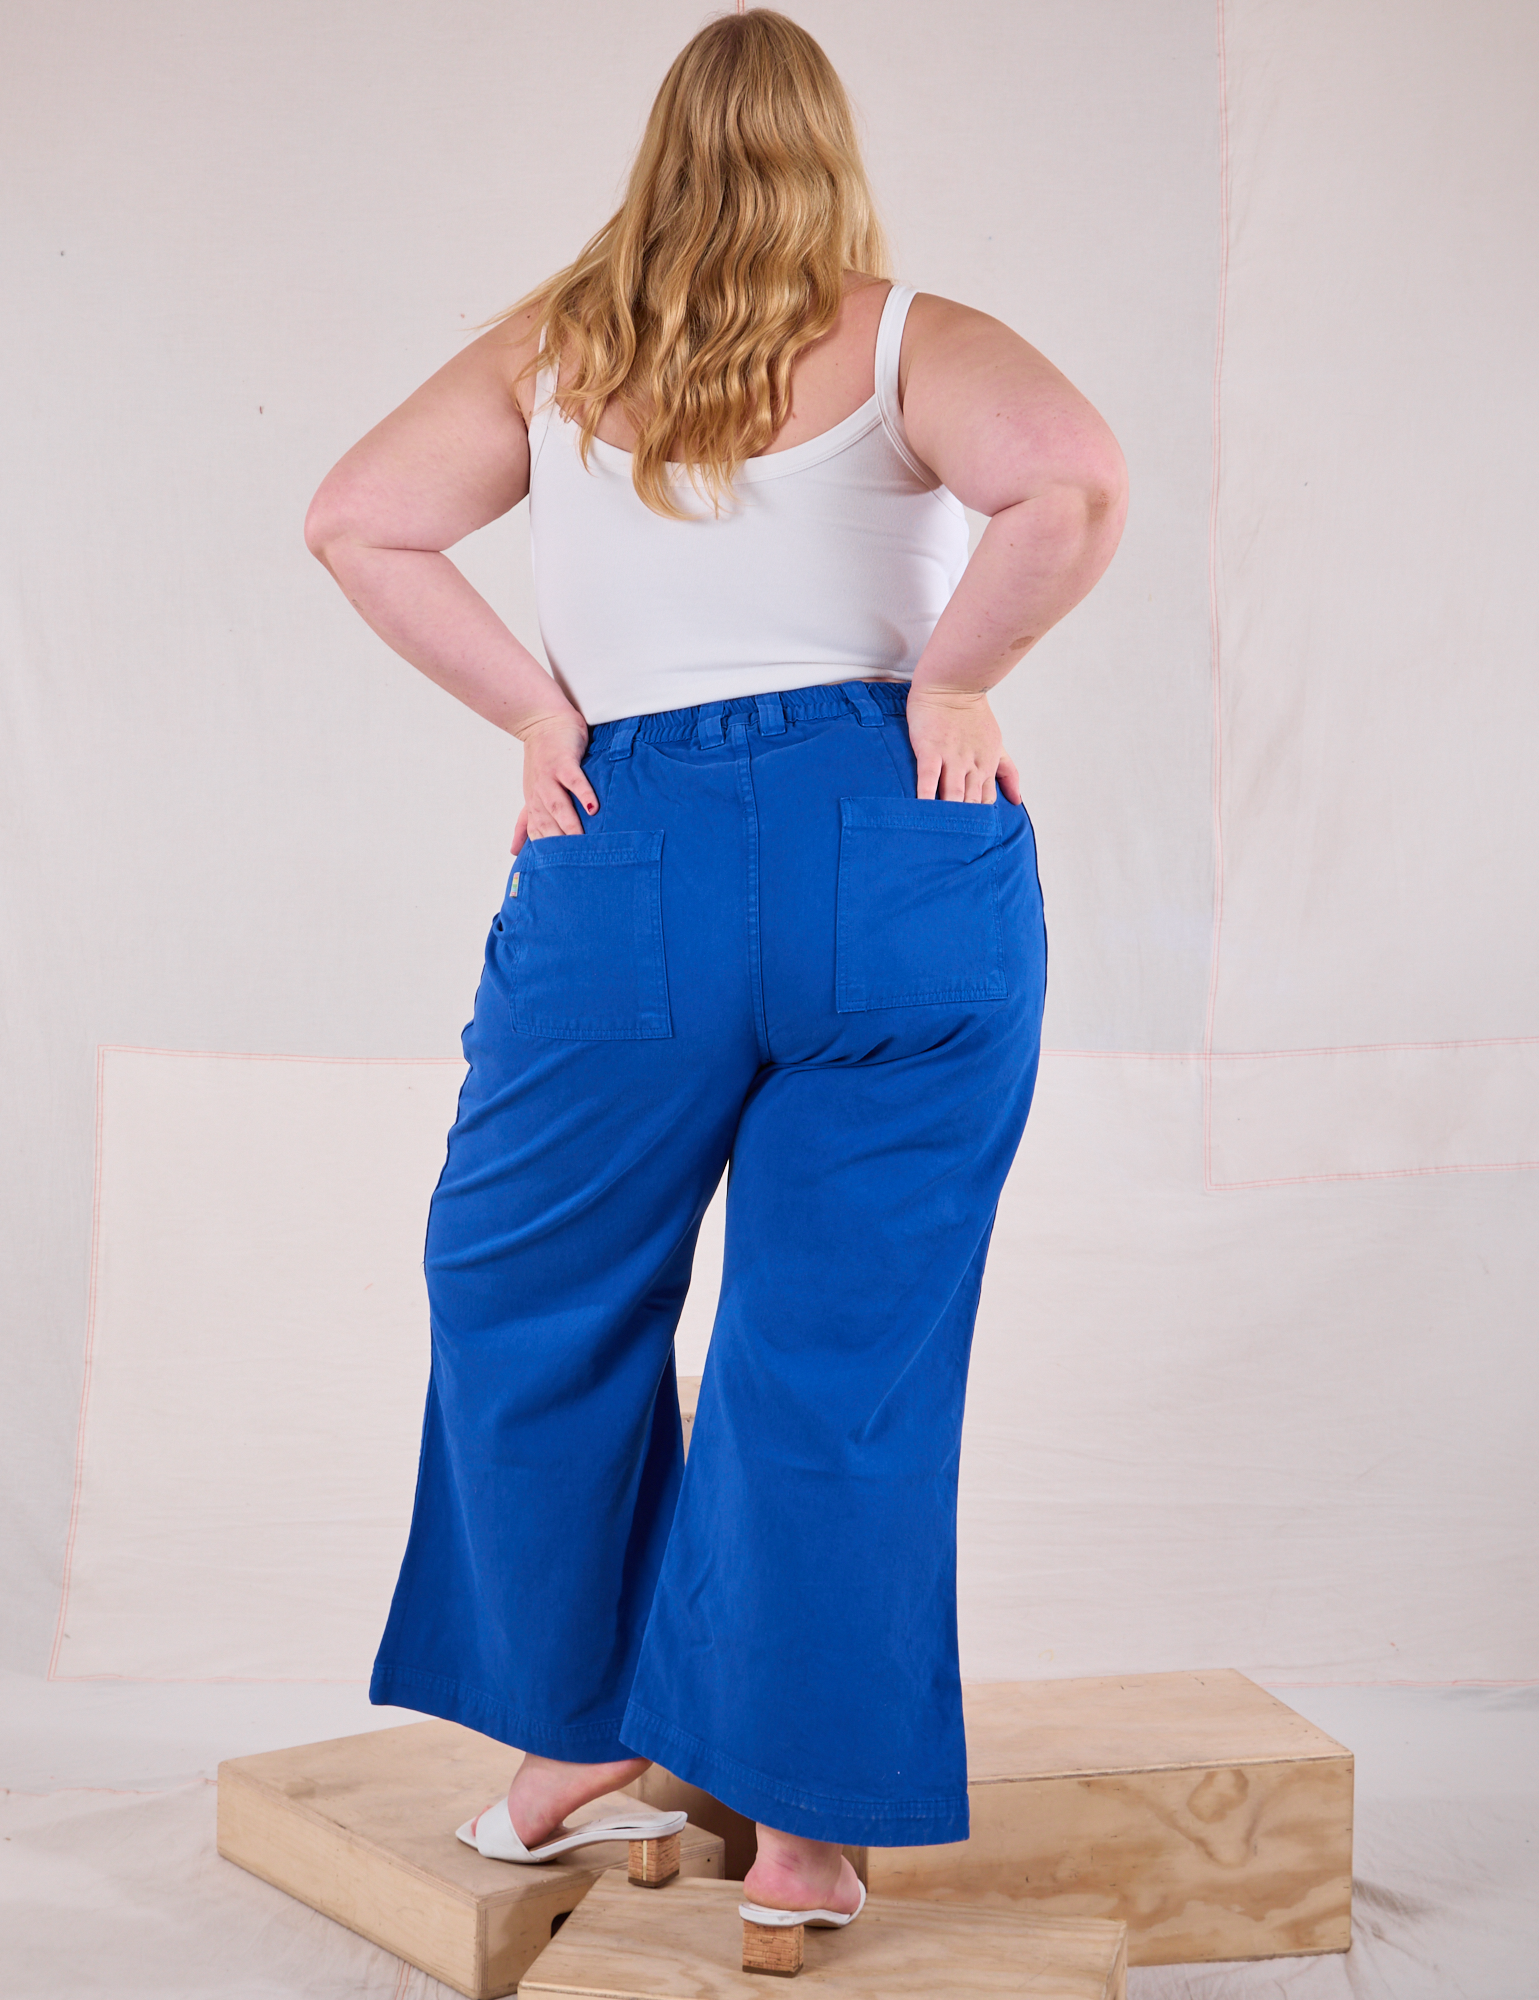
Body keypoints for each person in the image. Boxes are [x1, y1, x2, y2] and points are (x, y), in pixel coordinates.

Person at [304, 4, 1126, 1952]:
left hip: (628, 845)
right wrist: (954, 674)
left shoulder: (557, 343)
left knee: (523, 1290)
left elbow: (355, 514)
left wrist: (532, 708)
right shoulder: (917, 335)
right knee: (833, 1353)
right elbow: (1069, 482)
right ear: (830, 153)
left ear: (657, 152)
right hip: (896, 828)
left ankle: (579, 1732)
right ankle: (808, 1833)